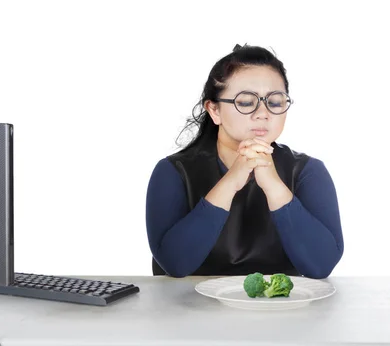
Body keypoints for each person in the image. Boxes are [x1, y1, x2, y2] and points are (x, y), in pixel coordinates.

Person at [145, 44, 344, 279]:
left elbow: (320, 266)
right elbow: (175, 263)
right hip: (190, 311)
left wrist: (273, 186)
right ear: (214, 110)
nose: (263, 113)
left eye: (276, 102)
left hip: (280, 311)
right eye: (247, 102)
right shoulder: (173, 172)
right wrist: (231, 181)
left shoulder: (308, 171)